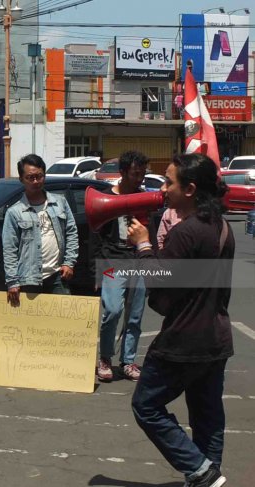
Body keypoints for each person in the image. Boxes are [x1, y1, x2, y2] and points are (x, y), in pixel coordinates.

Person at [128, 153, 234, 487]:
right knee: (207, 415)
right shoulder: (221, 227)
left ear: (189, 189)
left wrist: (144, 245)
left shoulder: (187, 232)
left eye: (169, 182)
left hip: (183, 340)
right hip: (215, 336)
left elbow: (159, 282)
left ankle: (201, 471)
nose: (163, 188)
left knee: (146, 406)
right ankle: (206, 474)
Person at [91, 150, 149, 382]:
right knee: (113, 311)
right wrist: (97, 271)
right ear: (123, 172)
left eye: (143, 174)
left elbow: (149, 231)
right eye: (136, 173)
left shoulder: (143, 197)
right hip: (112, 262)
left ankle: (128, 361)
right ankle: (105, 358)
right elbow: (95, 237)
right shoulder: (105, 197)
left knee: (134, 316)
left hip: (137, 261)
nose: (140, 178)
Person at [2, 154, 78, 307]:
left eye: (39, 176)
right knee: (32, 327)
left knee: (62, 322)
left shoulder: (60, 203)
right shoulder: (15, 212)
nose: (36, 181)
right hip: (28, 279)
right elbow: (9, 249)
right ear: (21, 179)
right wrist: (12, 282)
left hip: (58, 275)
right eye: (30, 177)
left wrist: (69, 263)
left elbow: (71, 233)